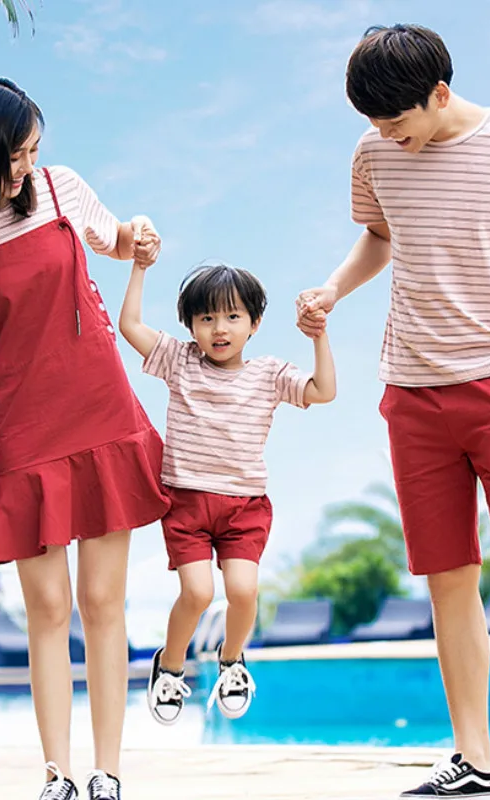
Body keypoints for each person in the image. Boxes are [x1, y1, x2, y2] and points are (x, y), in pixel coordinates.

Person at [296, 24, 490, 799]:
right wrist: (335, 290)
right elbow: (380, 236)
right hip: (410, 390)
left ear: (439, 94)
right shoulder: (375, 152)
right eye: (373, 127)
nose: (385, 139)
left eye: (397, 123)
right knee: (447, 579)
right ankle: (474, 760)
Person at [0, 77, 169, 800]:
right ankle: (57, 775)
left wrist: (138, 234)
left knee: (103, 603)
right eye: (13, 156)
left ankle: (107, 772)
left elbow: (115, 242)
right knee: (48, 611)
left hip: (102, 409)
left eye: (32, 152)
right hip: (20, 426)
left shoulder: (60, 189)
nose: (26, 168)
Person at [119, 260, 335, 725]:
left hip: (244, 506)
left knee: (243, 591)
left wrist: (318, 335)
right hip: (188, 503)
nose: (220, 328)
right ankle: (171, 666)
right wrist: (139, 266)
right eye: (207, 318)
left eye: (233, 316)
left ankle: (232, 660)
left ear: (255, 324)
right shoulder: (179, 362)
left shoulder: (269, 373)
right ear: (191, 326)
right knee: (196, 594)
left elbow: (323, 391)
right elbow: (130, 326)